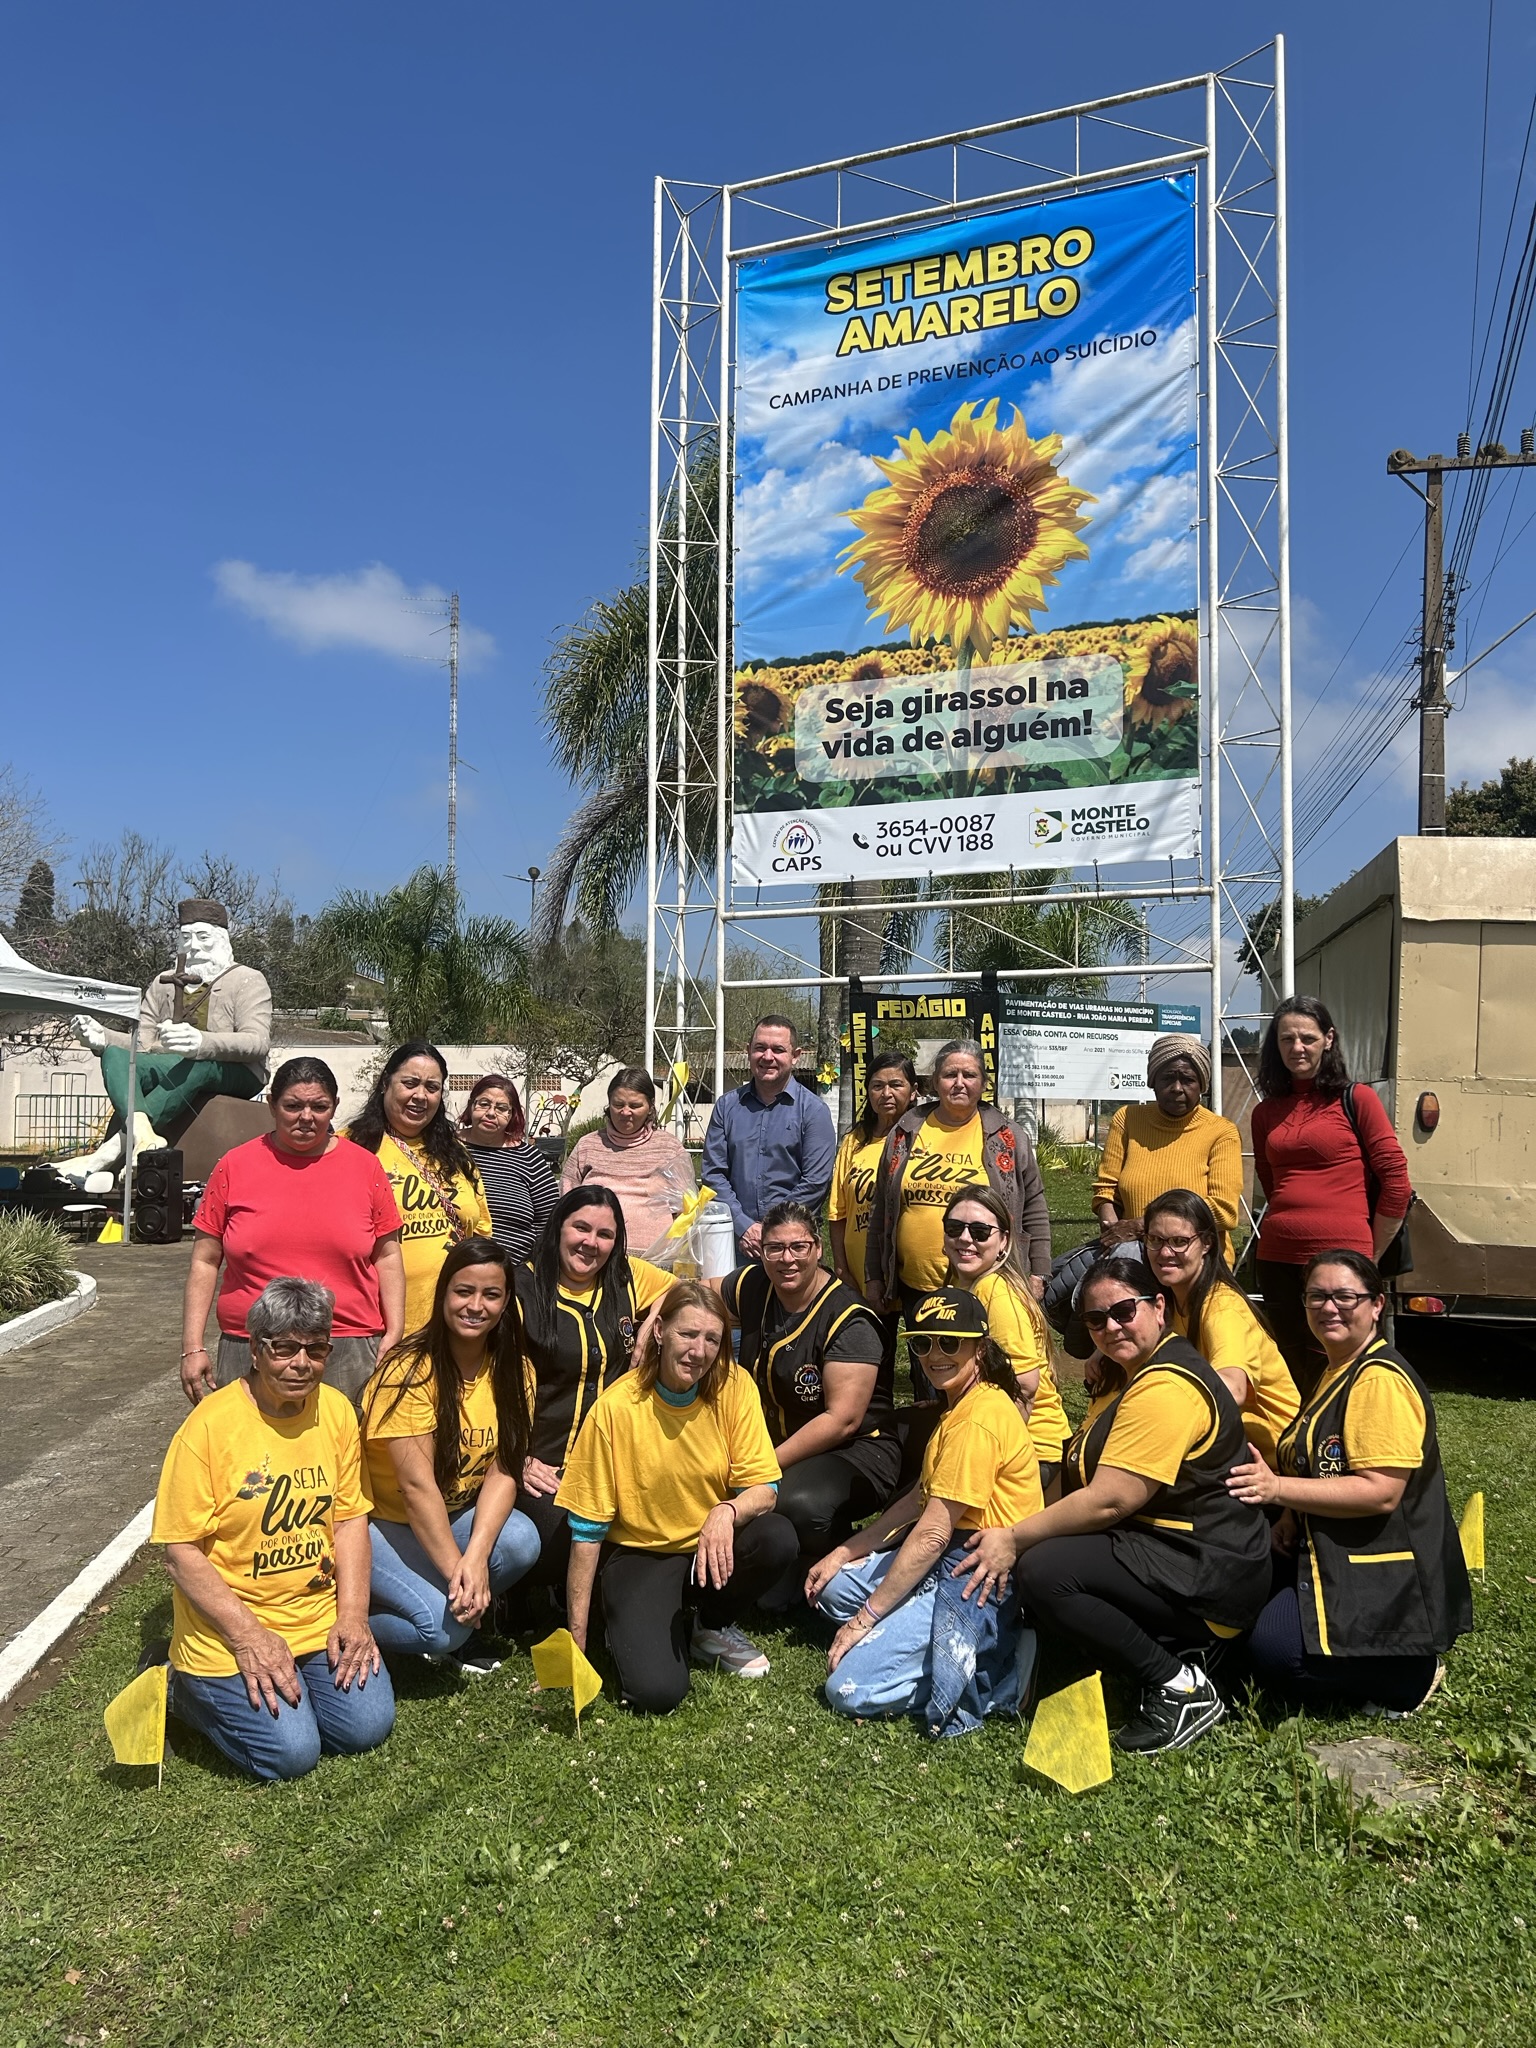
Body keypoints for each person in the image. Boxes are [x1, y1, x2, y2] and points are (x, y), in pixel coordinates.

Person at [956, 1257, 1271, 1755]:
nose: (1111, 1327)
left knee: (1047, 1570)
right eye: (1096, 1320)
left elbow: (1112, 1500)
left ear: (1158, 1307)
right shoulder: (1137, 1374)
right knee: (1048, 1555)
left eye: (1124, 1311)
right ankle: (1161, 1650)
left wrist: (1015, 1538)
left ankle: (1178, 1685)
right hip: (1174, 1549)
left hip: (1207, 1571)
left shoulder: (1166, 1386)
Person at [151, 1276, 394, 1782]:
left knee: (366, 1727)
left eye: (316, 1348)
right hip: (231, 1630)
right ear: (257, 1351)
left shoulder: (337, 1413)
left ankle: (301, 1687)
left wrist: (352, 1616)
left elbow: (349, 1519)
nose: (301, 1363)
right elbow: (180, 1552)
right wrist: (247, 1638)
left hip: (315, 1619)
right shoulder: (208, 1429)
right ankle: (179, 1687)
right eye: (284, 1348)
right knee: (292, 1754)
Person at [1229, 1250, 1473, 1716]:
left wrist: (1276, 1489)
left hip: (1382, 1565)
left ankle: (1409, 1673)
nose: (1329, 1308)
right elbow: (1317, 1462)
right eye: (1317, 1296)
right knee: (1238, 1600)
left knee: (1276, 1654)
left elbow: (1379, 1492)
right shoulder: (1337, 1368)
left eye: (1346, 1296)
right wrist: (1288, 1514)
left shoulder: (1380, 1381)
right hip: (1327, 1540)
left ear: (1377, 1305)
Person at [807, 1290, 1042, 1732]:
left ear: (979, 1348)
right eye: (923, 1343)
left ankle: (1006, 1674)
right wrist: (845, 1551)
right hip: (946, 1553)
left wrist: (865, 1620)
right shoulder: (960, 1405)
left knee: (848, 1688)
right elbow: (919, 1498)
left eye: (950, 1343)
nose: (935, 1355)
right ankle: (916, 1632)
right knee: (833, 1588)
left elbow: (933, 1533)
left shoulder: (977, 1419)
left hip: (974, 1570)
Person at [557, 1280, 795, 1710]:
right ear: (661, 1331)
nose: (699, 1351)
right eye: (688, 1334)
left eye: (712, 1339)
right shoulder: (617, 1407)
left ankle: (711, 1626)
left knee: (776, 1537)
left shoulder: (734, 1385)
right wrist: (576, 1644)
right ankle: (625, 1621)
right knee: (658, 1693)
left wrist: (726, 1510)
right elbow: (587, 1530)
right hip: (641, 1552)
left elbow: (766, 1488)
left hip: (709, 1543)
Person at [180, 1056, 405, 1405]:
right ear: (271, 1105)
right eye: (293, 1105)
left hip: (346, 1347)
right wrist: (192, 1346)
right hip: (251, 1346)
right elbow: (205, 1262)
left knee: (343, 1455)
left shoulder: (365, 1167)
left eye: (319, 1106)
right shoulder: (234, 1166)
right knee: (248, 1457)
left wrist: (395, 1332)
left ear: (335, 1107)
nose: (306, 1117)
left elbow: (388, 1256)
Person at [362, 1239, 542, 1673]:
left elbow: (503, 1471)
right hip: (381, 1522)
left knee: (521, 1541)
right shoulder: (408, 1370)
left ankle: (445, 1600)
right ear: (443, 1293)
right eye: (464, 1291)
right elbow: (414, 1487)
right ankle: (345, 1620)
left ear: (505, 1304)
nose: (475, 1305)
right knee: (442, 1633)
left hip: (449, 1516)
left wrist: (477, 1558)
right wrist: (457, 1576)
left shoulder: (517, 1372)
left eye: (491, 1294)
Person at [722, 1201, 900, 1585]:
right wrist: (657, 1311)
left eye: (798, 1247)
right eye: (775, 1248)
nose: (787, 1259)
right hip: (779, 1441)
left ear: (818, 1249)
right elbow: (699, 1295)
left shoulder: (848, 1319)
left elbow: (842, 1420)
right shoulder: (756, 1285)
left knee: (799, 1504)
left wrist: (763, 1465)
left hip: (858, 1449)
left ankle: (844, 1561)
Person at [513, 1186, 675, 1590]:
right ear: (557, 1228)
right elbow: (484, 1387)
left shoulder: (626, 1276)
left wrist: (652, 1322)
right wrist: (517, 1458)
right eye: (580, 1228)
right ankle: (527, 1597)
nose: (591, 1243)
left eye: (605, 1234)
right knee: (564, 1537)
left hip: (610, 1458)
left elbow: (683, 1289)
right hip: (543, 1464)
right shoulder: (521, 1289)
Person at [1251, 997, 1412, 1392]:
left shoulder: (1357, 1099)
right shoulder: (1265, 1112)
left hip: (1343, 1260)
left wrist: (1368, 1258)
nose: (1297, 1047)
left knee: (1342, 1368)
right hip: (1276, 1257)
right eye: (1286, 1039)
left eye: (1307, 1037)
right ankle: (1298, 1449)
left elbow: (1396, 1179)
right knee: (1290, 1370)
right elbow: (1269, 1180)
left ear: (1328, 1039)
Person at [58, 896, 272, 1183]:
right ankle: (143, 1135)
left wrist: (201, 1043)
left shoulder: (247, 980)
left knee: (198, 1063)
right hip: (171, 1065)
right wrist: (103, 1037)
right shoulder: (162, 983)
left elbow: (257, 1041)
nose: (193, 945)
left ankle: (111, 1150)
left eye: (203, 937)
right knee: (115, 1055)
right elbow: (144, 1043)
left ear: (221, 939)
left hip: (235, 1071)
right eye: (186, 937)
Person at [866, 1039, 1050, 1324]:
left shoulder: (1008, 1137)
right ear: (936, 1082)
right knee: (929, 1361)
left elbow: (1034, 1206)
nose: (959, 1083)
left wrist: (1038, 1272)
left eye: (970, 1075)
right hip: (918, 1287)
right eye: (950, 1075)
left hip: (988, 1283)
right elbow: (882, 1209)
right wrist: (874, 1276)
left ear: (984, 1083)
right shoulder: (905, 1131)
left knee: (987, 1362)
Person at [1142, 1189, 1298, 1466]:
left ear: (1207, 1244)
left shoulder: (1222, 1308)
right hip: (1230, 1450)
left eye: (1180, 1242)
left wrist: (1161, 1401)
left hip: (1278, 1460)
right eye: (1155, 1240)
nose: (1165, 1252)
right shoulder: (1173, 1300)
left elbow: (1233, 1388)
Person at [347, 1042, 494, 1334]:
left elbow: (482, 1233)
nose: (420, 1096)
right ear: (385, 1083)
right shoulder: (349, 1148)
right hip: (376, 1328)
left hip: (454, 1325)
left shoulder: (457, 1153)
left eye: (432, 1087)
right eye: (410, 1083)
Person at [941, 1185, 1070, 1488]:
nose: (965, 1238)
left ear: (1004, 1241)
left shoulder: (994, 1292)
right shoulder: (965, 1287)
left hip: (1030, 1447)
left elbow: (1025, 1386)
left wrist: (991, 1458)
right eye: (954, 1228)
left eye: (980, 1231)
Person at [1092, 1035, 1242, 1259]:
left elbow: (1224, 1211)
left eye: (1188, 1080)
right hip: (1134, 1257)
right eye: (1167, 1078)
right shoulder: (1128, 1119)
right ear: (1152, 1080)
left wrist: (1142, 1226)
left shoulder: (1221, 1132)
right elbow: (1107, 1190)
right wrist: (1112, 1231)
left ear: (1202, 1084)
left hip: (1197, 1263)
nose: (1177, 1088)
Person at [700, 1015, 836, 1258]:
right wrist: (745, 1228)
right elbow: (714, 1175)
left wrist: (772, 1231)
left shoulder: (814, 1112)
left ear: (796, 1056)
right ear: (748, 1051)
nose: (767, 1057)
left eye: (778, 1049)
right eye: (760, 1048)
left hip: (793, 1248)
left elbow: (815, 1182)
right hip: (735, 1245)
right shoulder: (726, 1107)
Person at [562, 1066, 696, 1255]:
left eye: (635, 1106)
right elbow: (565, 1202)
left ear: (650, 1106)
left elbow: (687, 1211)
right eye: (618, 1105)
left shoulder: (670, 1148)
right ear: (609, 1104)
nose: (625, 1112)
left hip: (656, 1262)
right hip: (594, 1257)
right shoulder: (587, 1145)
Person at [828, 1053, 921, 1301]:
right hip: (859, 1277)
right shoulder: (854, 1141)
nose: (886, 1093)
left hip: (910, 1277)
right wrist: (841, 1268)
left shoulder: (924, 1140)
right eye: (877, 1086)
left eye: (896, 1085)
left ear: (913, 1091)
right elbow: (838, 1213)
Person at [460, 1073, 560, 1263]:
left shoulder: (529, 1158)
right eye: (484, 1104)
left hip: (516, 1274)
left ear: (512, 1114)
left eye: (501, 1108)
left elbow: (550, 1222)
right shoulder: (445, 1147)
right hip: (453, 1271)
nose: (491, 1113)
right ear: (471, 1105)